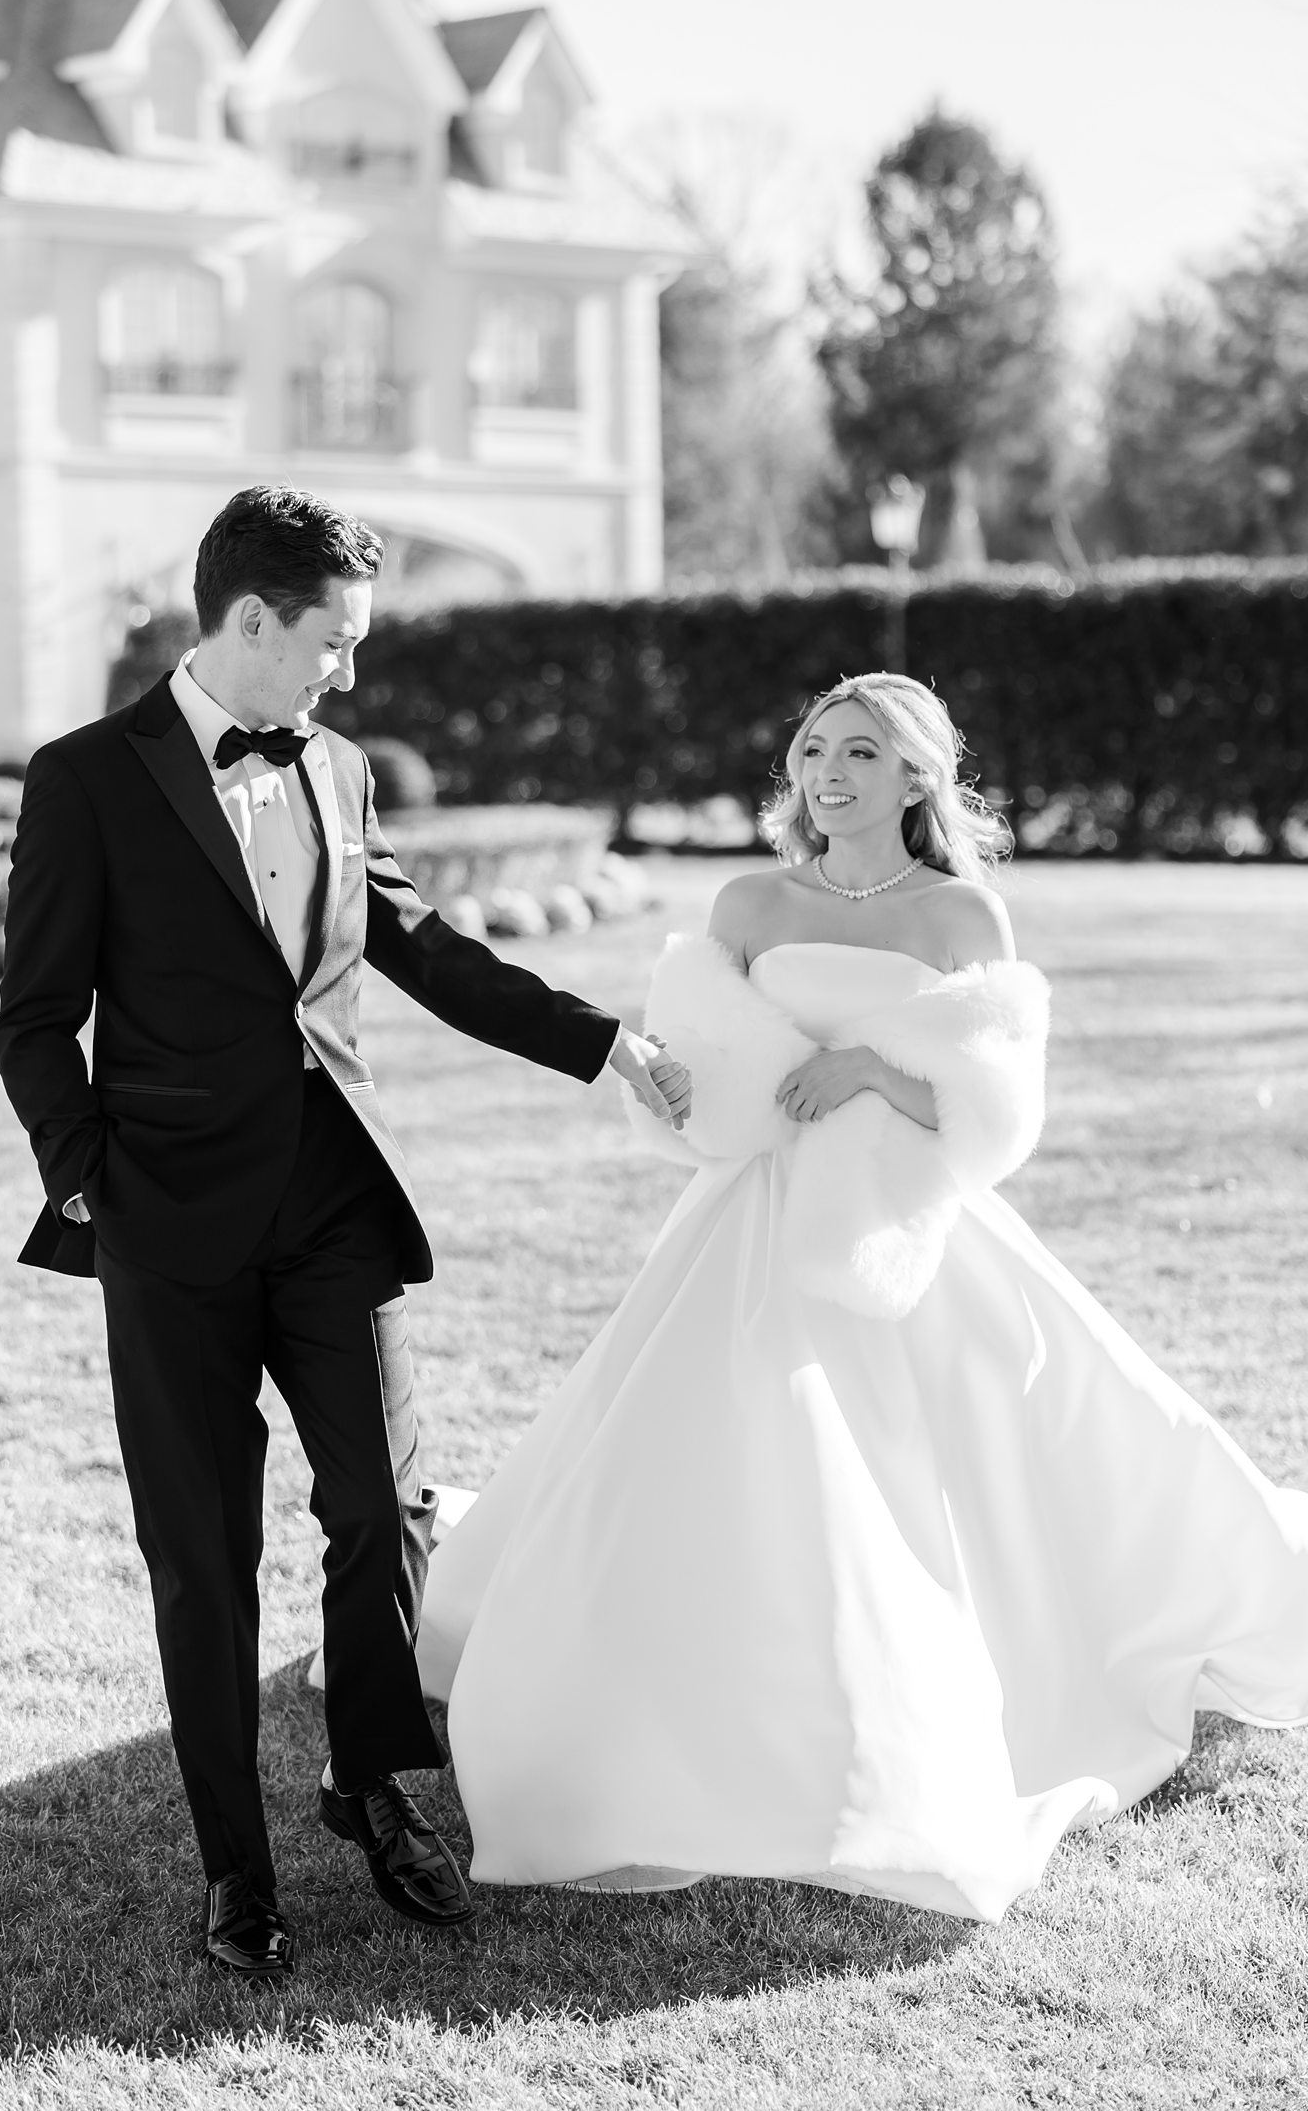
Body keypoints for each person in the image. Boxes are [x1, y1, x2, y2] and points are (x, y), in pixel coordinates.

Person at [418, 672, 1308, 1923]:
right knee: (693, 1454)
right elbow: (696, 1081)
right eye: (811, 750)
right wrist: (668, 1085)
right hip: (742, 1233)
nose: (826, 773)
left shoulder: (962, 919)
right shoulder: (744, 900)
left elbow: (995, 1119)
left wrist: (873, 1071)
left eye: (858, 753)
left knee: (980, 1456)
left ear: (915, 779)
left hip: (906, 1236)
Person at [0, 485, 691, 1974]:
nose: (348, 674)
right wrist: (90, 1178)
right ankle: (234, 1871)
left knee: (383, 1505)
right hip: (166, 1232)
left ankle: (366, 1785)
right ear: (252, 621)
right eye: (333, 642)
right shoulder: (84, 779)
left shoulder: (343, 770)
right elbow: (36, 1020)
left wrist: (600, 1041)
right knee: (204, 1554)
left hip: (331, 1207)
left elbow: (416, 943)